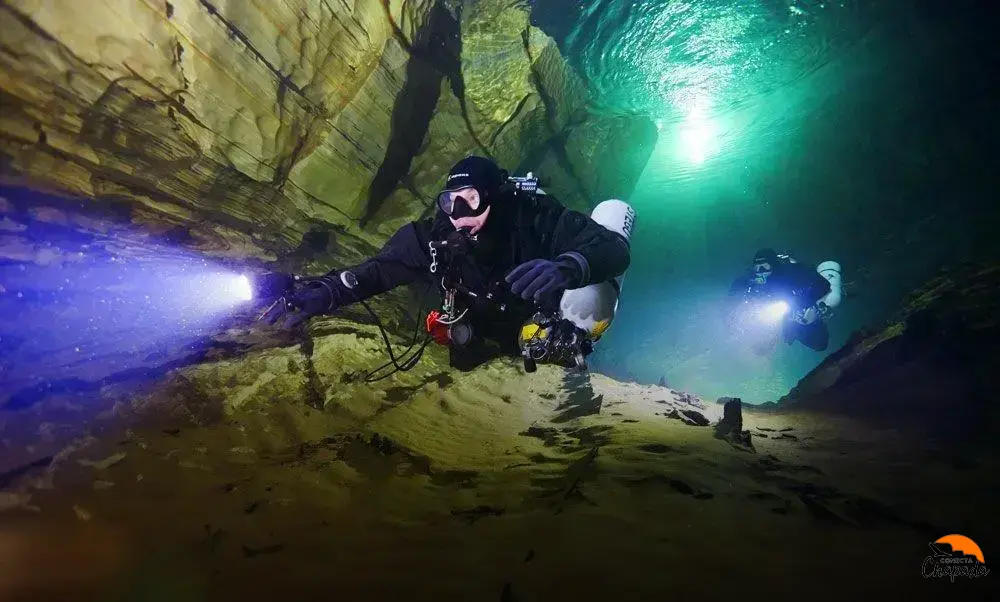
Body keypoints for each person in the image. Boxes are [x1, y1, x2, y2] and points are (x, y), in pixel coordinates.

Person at [266, 156, 631, 371]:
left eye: (470, 199)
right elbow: (378, 270)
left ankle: (577, 339)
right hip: (486, 335)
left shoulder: (535, 218)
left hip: (547, 325)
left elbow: (613, 248)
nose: (458, 214)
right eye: (450, 201)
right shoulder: (434, 239)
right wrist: (323, 294)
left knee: (588, 302)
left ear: (494, 197)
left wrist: (568, 266)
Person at [725, 248, 843, 354]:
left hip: (796, 307)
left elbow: (823, 284)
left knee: (818, 343)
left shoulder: (791, 271)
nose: (760, 271)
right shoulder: (750, 278)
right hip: (768, 310)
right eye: (757, 267)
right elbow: (734, 294)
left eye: (765, 267)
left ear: (774, 266)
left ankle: (808, 324)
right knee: (759, 348)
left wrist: (804, 301)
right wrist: (732, 318)